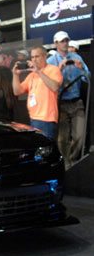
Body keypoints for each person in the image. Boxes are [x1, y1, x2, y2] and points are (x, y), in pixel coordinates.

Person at [47, 31, 90, 168]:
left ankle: (71, 159)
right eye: (62, 41)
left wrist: (82, 68)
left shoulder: (76, 57)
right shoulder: (51, 61)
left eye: (66, 40)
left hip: (77, 102)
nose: (65, 43)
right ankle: (66, 163)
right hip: (61, 103)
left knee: (80, 135)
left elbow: (87, 77)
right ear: (56, 43)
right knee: (62, 138)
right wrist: (59, 69)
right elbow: (48, 83)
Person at [12, 46, 63, 140]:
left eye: (37, 56)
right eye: (32, 57)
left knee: (45, 151)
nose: (34, 60)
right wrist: (15, 75)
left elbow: (55, 87)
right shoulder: (32, 75)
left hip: (46, 118)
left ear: (44, 56)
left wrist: (39, 72)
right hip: (33, 118)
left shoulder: (53, 69)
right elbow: (17, 91)